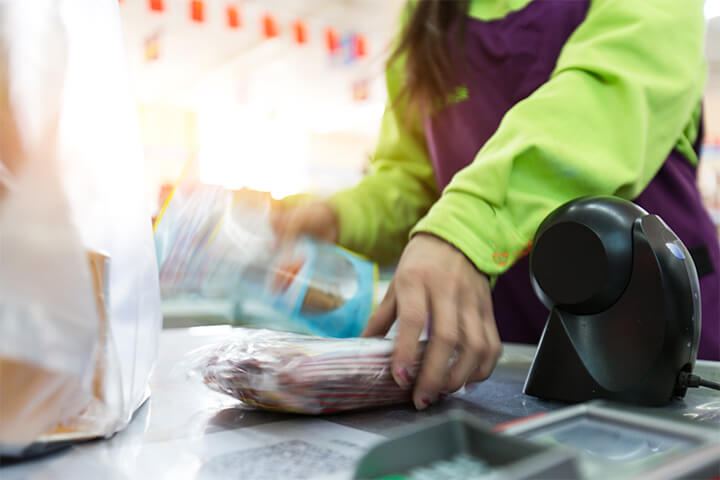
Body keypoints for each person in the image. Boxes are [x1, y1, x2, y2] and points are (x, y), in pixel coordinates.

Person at [273, 0, 718, 410]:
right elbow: (414, 180)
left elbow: (609, 101)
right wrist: (341, 219)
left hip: (654, 331)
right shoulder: (425, 14)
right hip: (501, 353)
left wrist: (470, 225)